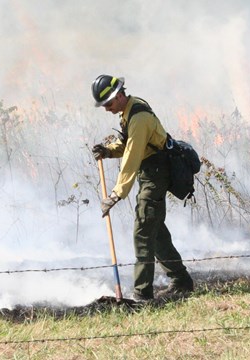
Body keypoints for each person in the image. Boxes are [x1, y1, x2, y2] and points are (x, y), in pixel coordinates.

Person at [90, 74, 194, 301]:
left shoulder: (138, 118)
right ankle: (181, 281)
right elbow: (129, 144)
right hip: (150, 171)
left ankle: (142, 293)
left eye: (108, 103)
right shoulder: (130, 110)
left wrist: (116, 194)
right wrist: (108, 150)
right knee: (155, 231)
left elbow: (132, 156)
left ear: (118, 96)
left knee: (143, 230)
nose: (106, 109)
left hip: (156, 172)